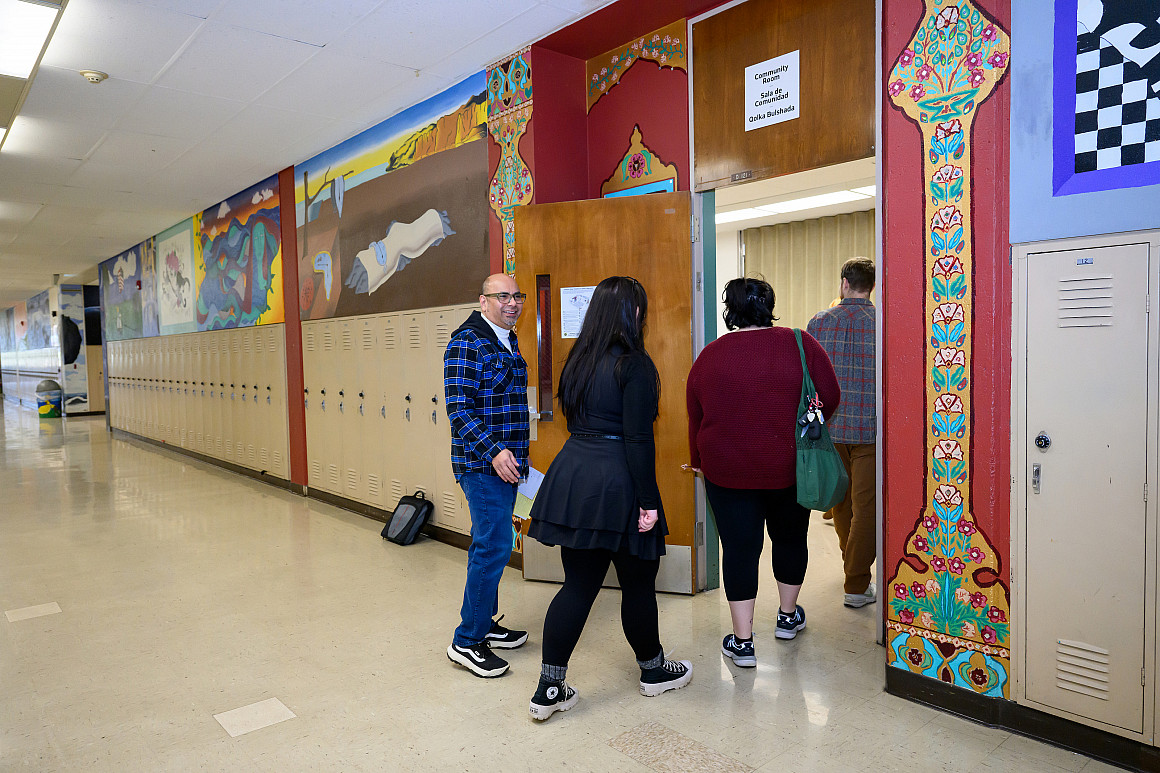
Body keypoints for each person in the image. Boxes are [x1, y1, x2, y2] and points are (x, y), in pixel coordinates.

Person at [526, 276, 692, 721]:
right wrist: (649, 502)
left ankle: (549, 688)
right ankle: (653, 672)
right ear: (633, 314)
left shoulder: (577, 360)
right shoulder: (634, 364)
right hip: (619, 480)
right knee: (638, 584)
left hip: (576, 475)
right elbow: (639, 441)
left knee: (577, 586)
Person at [687, 277, 839, 668]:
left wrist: (699, 460)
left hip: (726, 471)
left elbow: (696, 415)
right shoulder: (801, 343)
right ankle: (787, 619)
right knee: (790, 539)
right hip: (790, 467)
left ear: (729, 310)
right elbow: (830, 395)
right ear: (769, 305)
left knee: (739, 549)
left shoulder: (711, 356)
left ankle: (743, 642)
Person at [444, 273, 531, 678]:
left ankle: (484, 624)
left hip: (507, 465)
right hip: (481, 466)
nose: (511, 303)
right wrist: (495, 452)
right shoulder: (466, 342)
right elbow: (459, 410)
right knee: (493, 545)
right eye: (502, 297)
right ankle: (467, 640)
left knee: (493, 542)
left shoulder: (506, 339)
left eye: (517, 296)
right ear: (483, 301)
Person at [807, 257, 878, 609]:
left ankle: (851, 569)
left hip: (830, 428)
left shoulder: (818, 322)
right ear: (872, 286)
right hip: (870, 430)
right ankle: (856, 582)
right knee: (867, 508)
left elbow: (807, 377)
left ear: (844, 283)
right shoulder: (882, 323)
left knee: (841, 502)